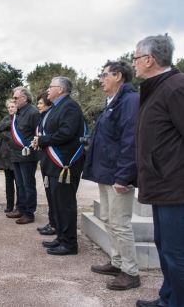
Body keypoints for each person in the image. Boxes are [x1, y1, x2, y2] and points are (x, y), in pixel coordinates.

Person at [133, 35, 184, 307]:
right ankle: (169, 299)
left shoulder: (176, 87)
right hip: (161, 185)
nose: (134, 63)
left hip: (175, 187)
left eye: (136, 57)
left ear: (149, 59)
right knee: (166, 251)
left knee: (178, 255)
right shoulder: (156, 89)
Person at [82, 61, 141, 291]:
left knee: (119, 223)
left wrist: (124, 176)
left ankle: (131, 272)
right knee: (108, 219)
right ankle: (117, 263)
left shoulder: (130, 101)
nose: (100, 79)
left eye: (104, 75)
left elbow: (131, 141)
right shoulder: (113, 102)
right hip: (106, 173)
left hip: (118, 174)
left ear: (118, 76)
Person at [31, 77, 87, 255]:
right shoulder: (57, 107)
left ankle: (70, 243)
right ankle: (61, 237)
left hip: (65, 164)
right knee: (57, 203)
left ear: (61, 89)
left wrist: (43, 140)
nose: (48, 90)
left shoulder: (70, 106)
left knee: (66, 204)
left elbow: (66, 133)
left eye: (50, 86)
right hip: (54, 164)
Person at [6, 87, 40, 224]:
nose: (14, 100)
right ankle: (21, 208)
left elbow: (38, 133)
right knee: (19, 184)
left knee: (28, 185)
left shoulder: (33, 113)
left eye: (16, 98)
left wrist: (30, 147)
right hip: (16, 154)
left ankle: (29, 213)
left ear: (24, 98)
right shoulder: (18, 113)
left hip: (27, 155)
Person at [35, 92, 55, 236]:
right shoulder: (42, 117)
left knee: (55, 195)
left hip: (54, 159)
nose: (38, 106)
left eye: (41, 103)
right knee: (49, 193)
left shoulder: (51, 116)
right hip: (45, 158)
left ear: (48, 104)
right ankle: (52, 222)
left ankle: (55, 224)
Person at [0, 99, 18, 213]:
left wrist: (6, 133)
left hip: (16, 155)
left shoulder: (20, 118)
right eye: (9, 107)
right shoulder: (7, 119)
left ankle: (19, 206)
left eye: (12, 106)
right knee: (8, 182)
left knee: (19, 183)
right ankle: (9, 205)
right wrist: (9, 123)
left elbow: (13, 136)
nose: (10, 109)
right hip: (6, 156)